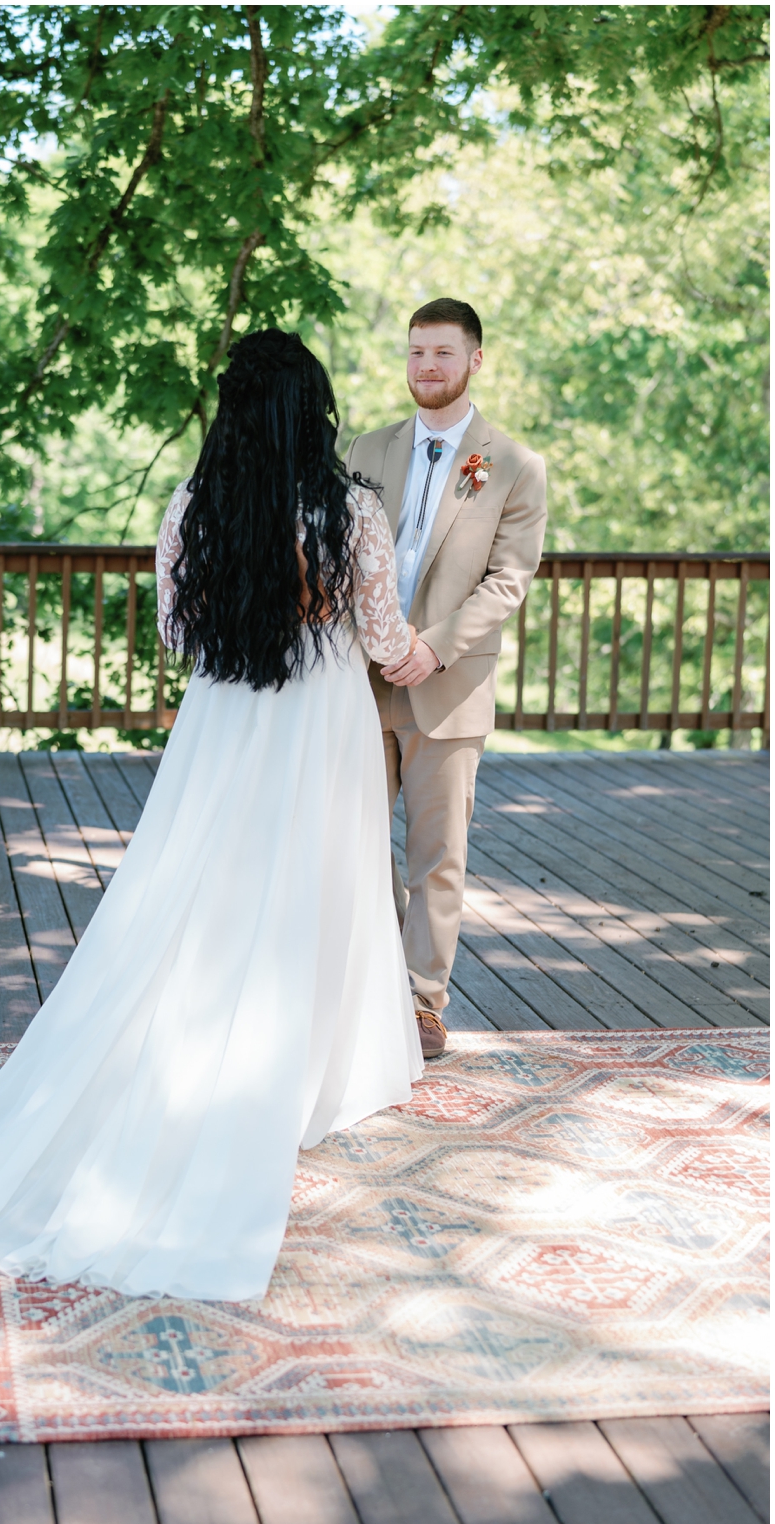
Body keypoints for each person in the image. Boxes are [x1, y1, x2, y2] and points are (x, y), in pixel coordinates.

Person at [0, 330, 423, 1304]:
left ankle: (205, 1039)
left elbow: (179, 627)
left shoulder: (196, 501)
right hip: (321, 717)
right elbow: (383, 633)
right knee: (325, 880)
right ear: (311, 409)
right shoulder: (350, 506)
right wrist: (421, 656)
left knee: (202, 884)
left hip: (226, 713)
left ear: (231, 411)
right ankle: (316, 1072)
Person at [345, 299, 547, 1060]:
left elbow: (507, 582)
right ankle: (360, 991)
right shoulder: (363, 449)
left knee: (436, 856)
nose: (425, 366)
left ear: (475, 360)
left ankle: (423, 1002)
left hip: (447, 683)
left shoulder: (515, 466)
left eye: (441, 353)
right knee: (353, 843)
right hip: (357, 684)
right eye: (414, 352)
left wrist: (431, 647)